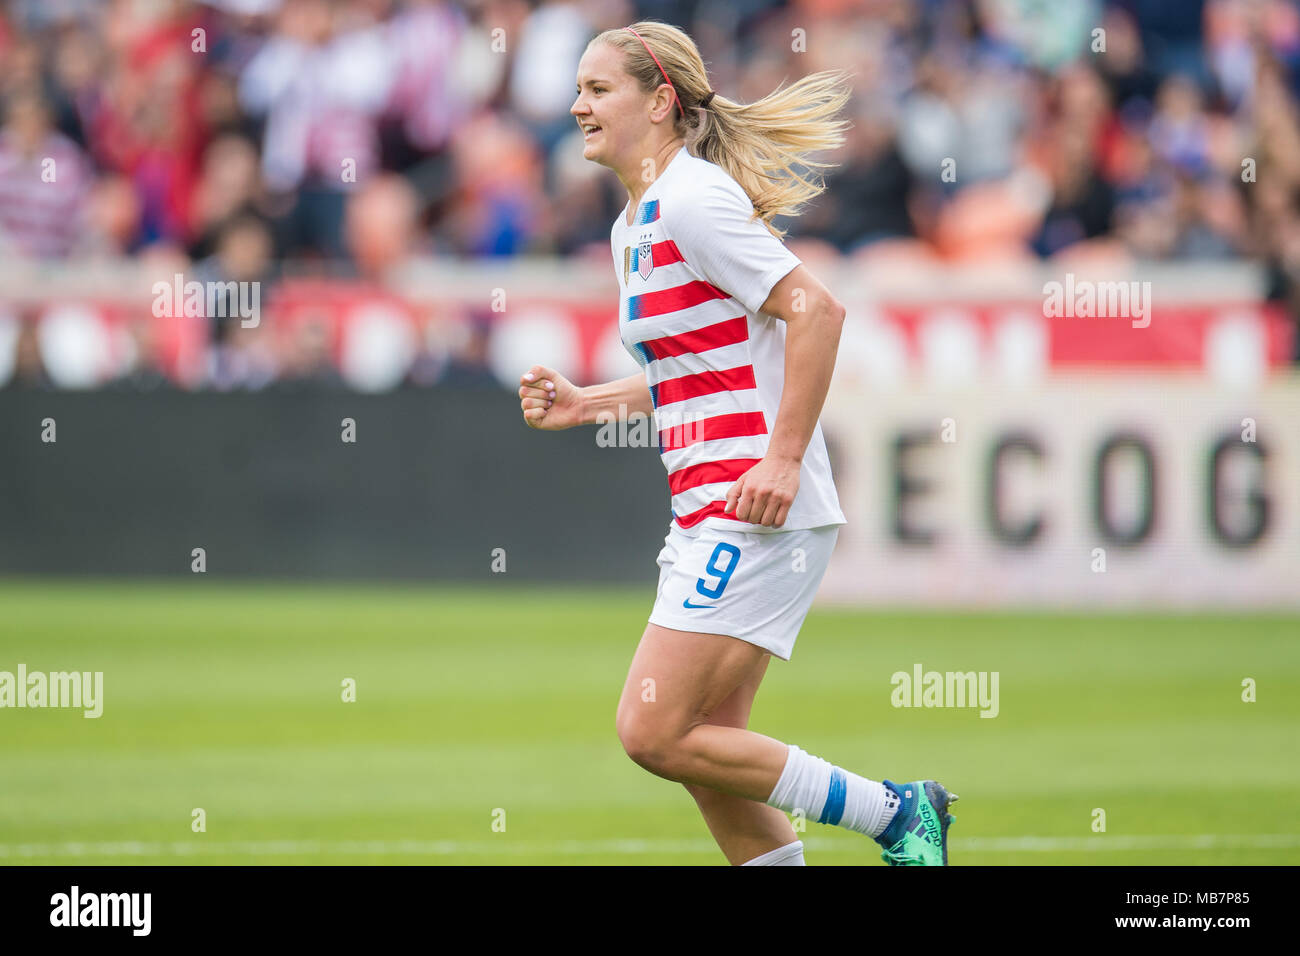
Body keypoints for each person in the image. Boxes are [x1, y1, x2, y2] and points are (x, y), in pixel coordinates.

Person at [518, 20, 957, 866]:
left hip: (751, 506)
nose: (577, 107)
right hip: (708, 507)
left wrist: (784, 456)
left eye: (597, 89)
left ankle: (897, 812)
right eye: (577, 89)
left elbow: (817, 311)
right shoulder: (632, 227)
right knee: (709, 750)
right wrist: (589, 403)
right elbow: (701, 368)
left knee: (651, 727)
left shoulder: (692, 197)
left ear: (660, 100)